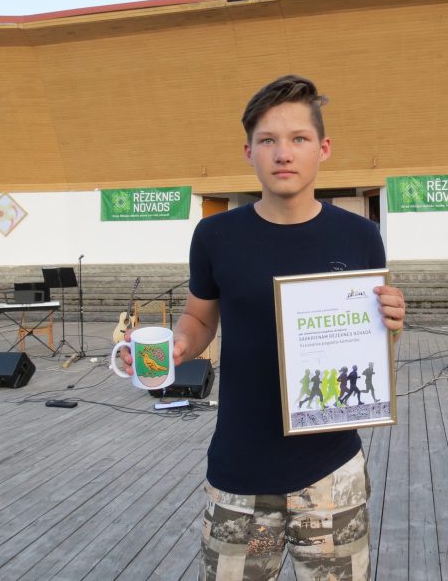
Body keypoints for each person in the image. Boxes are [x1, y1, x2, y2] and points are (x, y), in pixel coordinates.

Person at [121, 75, 405, 580]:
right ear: (248, 151)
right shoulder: (215, 235)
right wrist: (181, 344)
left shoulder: (360, 236)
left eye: (299, 138)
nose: (283, 153)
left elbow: (371, 338)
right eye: (268, 140)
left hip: (331, 472)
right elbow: (199, 317)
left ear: (323, 148)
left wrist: (392, 324)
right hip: (240, 470)